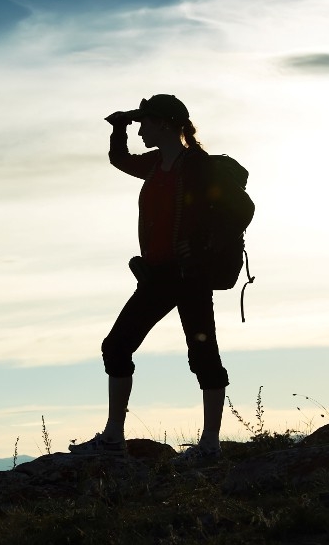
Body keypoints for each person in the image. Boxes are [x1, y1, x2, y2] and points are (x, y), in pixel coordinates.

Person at [68, 94, 229, 465]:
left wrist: (202, 250)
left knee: (203, 356)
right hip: (157, 275)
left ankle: (209, 446)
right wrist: (119, 127)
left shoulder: (198, 167)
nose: (141, 130)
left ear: (166, 125)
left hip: (189, 276)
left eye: (145, 123)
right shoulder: (156, 164)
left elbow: (231, 213)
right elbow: (119, 159)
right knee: (116, 346)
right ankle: (113, 438)